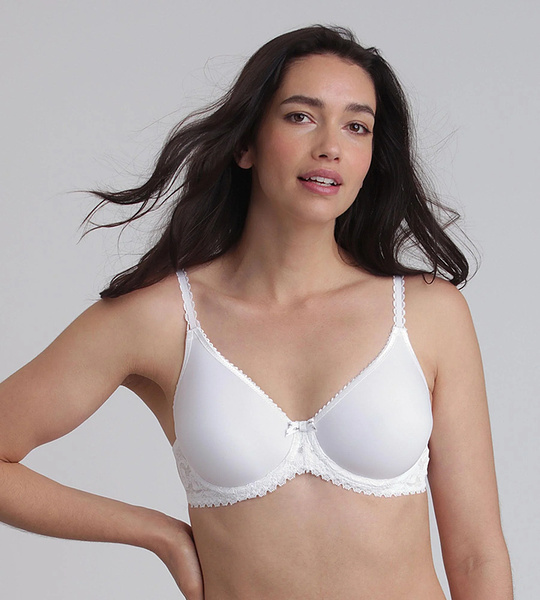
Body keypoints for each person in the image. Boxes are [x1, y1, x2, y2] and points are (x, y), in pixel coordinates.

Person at [0, 24, 513, 600]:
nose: (330, 146)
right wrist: (158, 534)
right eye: (300, 116)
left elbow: (476, 556)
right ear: (245, 144)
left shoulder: (428, 312)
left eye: (357, 126)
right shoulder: (165, 317)